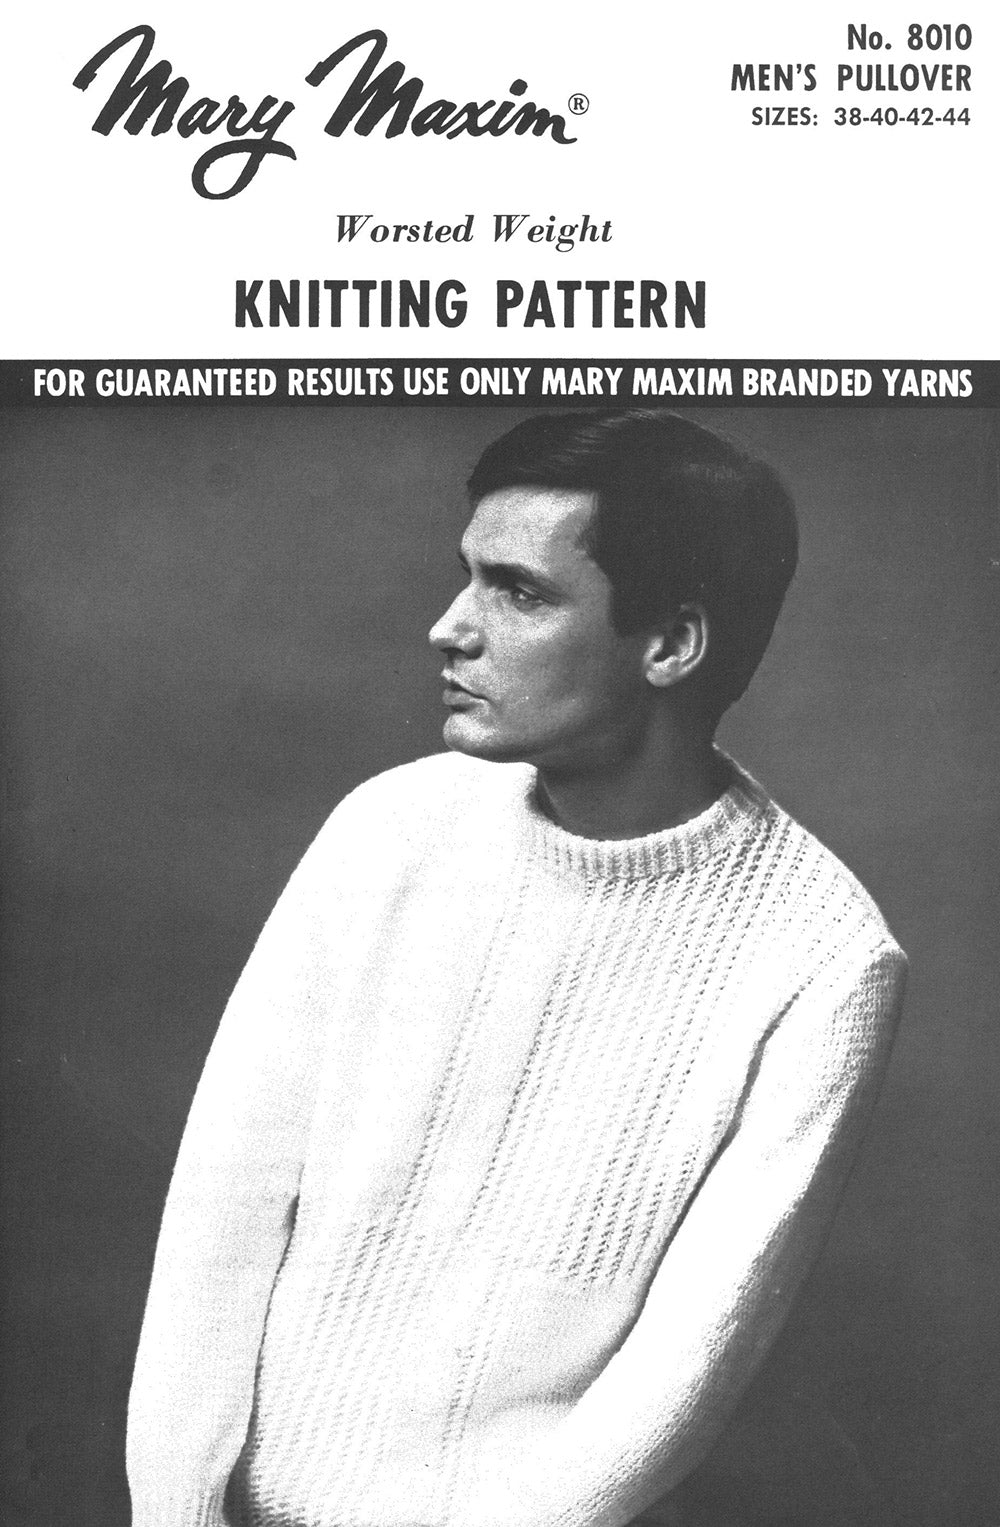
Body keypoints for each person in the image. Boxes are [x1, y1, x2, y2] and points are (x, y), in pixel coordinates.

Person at [126, 409, 906, 1527]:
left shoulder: (824, 957)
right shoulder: (387, 828)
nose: (449, 628)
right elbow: (224, 1207)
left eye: (519, 592)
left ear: (671, 643)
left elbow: (683, 1368)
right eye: (467, 576)